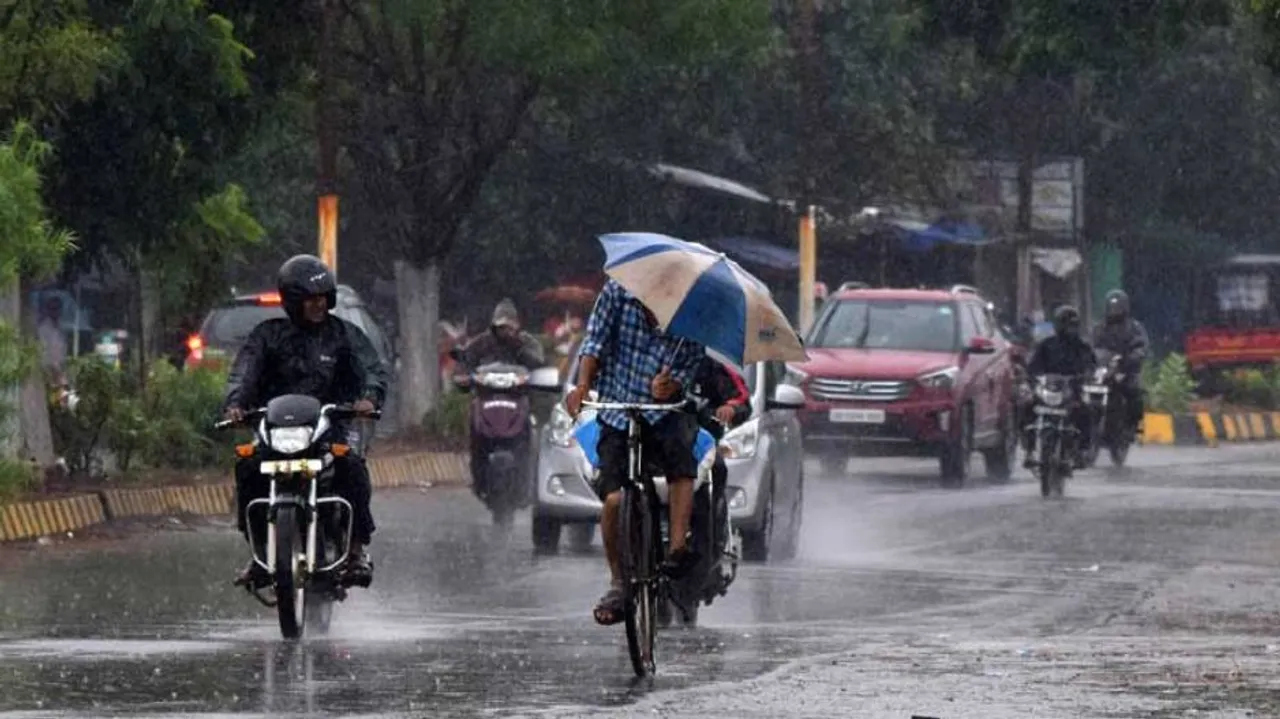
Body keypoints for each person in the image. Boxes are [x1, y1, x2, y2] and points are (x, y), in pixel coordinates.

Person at [222, 255, 388, 588]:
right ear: (293, 301)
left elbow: (373, 369)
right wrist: (236, 404)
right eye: (310, 299)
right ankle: (260, 555)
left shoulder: (345, 336)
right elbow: (243, 373)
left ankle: (355, 552)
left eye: (323, 298)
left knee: (352, 467)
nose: (318, 305)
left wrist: (368, 398)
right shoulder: (267, 336)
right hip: (278, 429)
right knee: (248, 468)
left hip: (332, 426)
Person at [564, 279, 705, 626]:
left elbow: (692, 361)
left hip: (664, 413)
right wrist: (583, 385)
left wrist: (673, 384)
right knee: (614, 500)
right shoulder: (616, 293)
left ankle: (676, 547)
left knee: (681, 462)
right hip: (618, 409)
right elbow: (594, 341)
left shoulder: (690, 310)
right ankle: (617, 582)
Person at [688, 356, 751, 565]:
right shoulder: (647, 364)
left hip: (701, 448)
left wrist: (731, 408)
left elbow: (741, 400)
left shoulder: (710, 368)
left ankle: (708, 545)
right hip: (658, 445)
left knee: (716, 470)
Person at [1023, 305, 1097, 468]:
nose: (1069, 328)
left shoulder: (1082, 347)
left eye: (1072, 324)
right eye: (1066, 324)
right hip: (1048, 392)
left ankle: (1082, 451)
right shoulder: (1046, 345)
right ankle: (1028, 450)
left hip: (1071, 392)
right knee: (1027, 406)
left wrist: (1086, 376)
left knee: (1086, 411)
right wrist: (1032, 378)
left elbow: (1091, 365)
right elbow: (1033, 367)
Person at [1091, 289, 1149, 435]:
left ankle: (1134, 423)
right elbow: (1091, 346)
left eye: (1117, 307)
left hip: (1125, 368)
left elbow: (1141, 346)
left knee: (1133, 390)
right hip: (1103, 369)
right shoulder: (1099, 328)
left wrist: (1132, 357)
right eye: (1111, 307)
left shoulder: (1134, 327)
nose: (1114, 311)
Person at [456, 299, 546, 374]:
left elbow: (538, 365)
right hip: (486, 389)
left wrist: (519, 348)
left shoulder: (527, 341)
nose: (505, 331)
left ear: (516, 325)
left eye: (509, 327)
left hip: (519, 389)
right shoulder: (482, 341)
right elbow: (466, 362)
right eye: (501, 327)